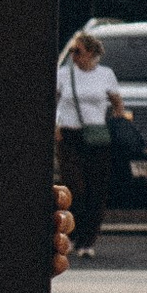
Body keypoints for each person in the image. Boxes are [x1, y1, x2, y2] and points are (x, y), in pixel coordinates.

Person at [56, 29, 122, 256]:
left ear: (92, 53)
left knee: (96, 189)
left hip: (97, 137)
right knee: (75, 188)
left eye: (78, 51)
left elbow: (116, 102)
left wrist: (117, 118)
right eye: (72, 51)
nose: (74, 55)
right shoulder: (64, 74)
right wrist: (55, 125)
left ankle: (88, 240)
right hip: (69, 135)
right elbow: (53, 101)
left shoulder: (105, 74)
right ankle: (73, 234)